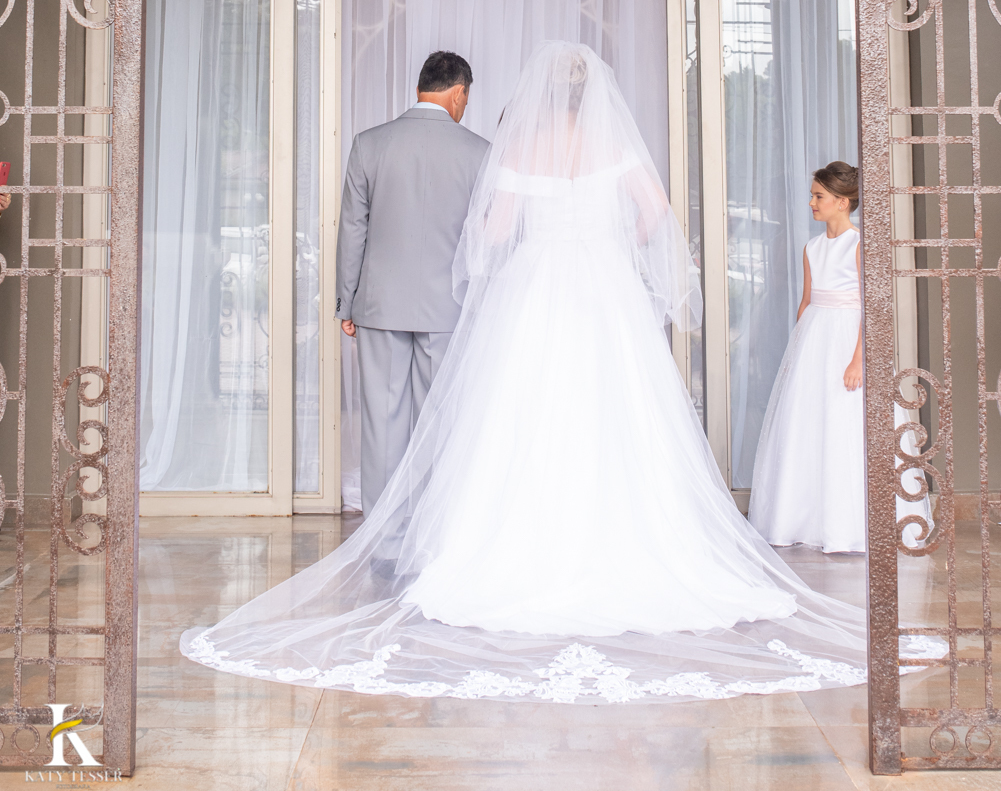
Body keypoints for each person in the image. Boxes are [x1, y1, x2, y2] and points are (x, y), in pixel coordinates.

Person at [182, 44, 868, 704]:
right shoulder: (614, 147)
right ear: (592, 96)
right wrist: (608, 245)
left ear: (540, 96)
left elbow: (491, 232)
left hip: (536, 285)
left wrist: (518, 250)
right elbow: (656, 215)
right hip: (603, 289)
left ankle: (506, 547)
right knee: (614, 415)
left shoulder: (519, 150)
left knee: (526, 414)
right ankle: (624, 542)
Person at [749, 162, 933, 554]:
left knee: (846, 426)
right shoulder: (812, 247)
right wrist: (796, 353)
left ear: (843, 202)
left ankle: (851, 524)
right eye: (813, 195)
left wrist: (858, 361)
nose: (812, 203)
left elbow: (872, 306)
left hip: (847, 338)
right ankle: (804, 518)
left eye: (819, 196)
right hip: (814, 338)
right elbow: (806, 302)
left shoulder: (859, 244)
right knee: (809, 426)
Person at [335, 50, 489, 516]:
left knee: (382, 422)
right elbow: (483, 238)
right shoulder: (480, 152)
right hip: (449, 309)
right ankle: (432, 528)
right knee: (439, 420)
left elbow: (352, 229)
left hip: (380, 305)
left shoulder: (369, 144)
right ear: (458, 93)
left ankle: (380, 536)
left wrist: (347, 303)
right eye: (466, 99)